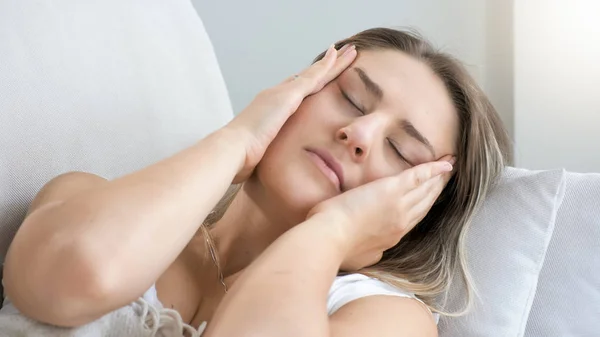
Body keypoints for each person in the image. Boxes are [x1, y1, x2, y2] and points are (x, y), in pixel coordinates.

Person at [1, 28, 511, 336]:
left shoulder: (385, 321)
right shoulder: (93, 197)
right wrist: (236, 139)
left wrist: (329, 234)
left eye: (402, 151)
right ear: (295, 93)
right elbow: (71, 279)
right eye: (352, 98)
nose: (358, 133)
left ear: (420, 209)